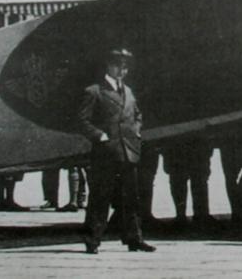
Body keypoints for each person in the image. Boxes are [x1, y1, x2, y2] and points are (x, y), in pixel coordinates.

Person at [78, 48, 156, 254]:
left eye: (125, 67)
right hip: (106, 153)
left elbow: (137, 115)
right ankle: (92, 240)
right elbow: (82, 121)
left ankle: (134, 239)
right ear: (109, 66)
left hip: (128, 152)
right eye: (118, 66)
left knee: (131, 199)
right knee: (100, 198)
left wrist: (136, 131)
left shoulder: (128, 91)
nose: (122, 71)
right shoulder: (94, 91)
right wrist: (100, 136)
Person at [163, 137, 215, 228]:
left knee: (181, 180)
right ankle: (198, 215)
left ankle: (183, 216)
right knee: (195, 180)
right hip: (191, 142)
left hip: (178, 142)